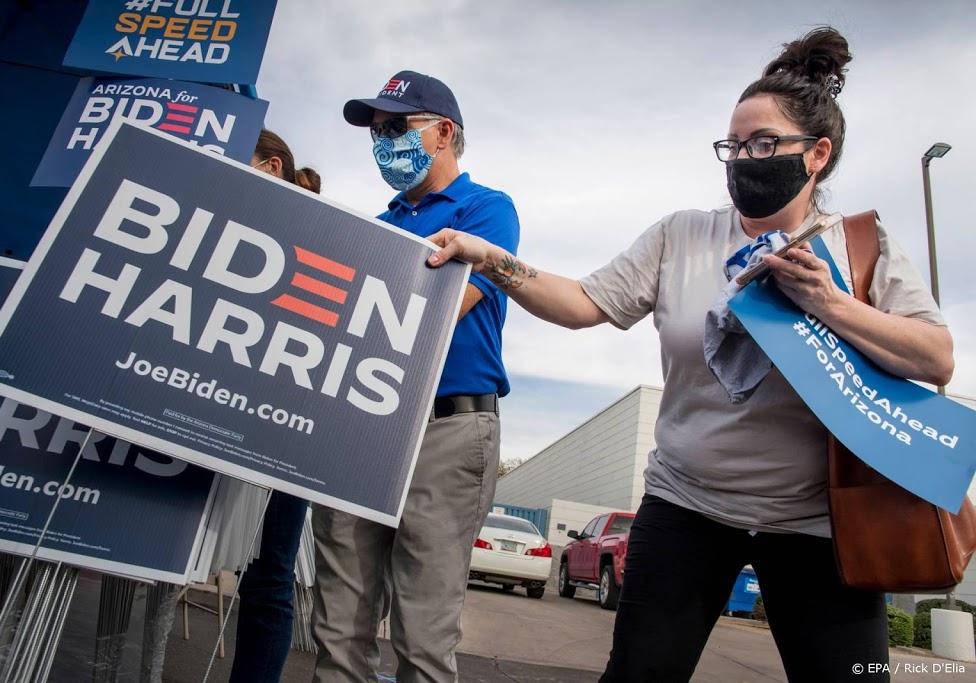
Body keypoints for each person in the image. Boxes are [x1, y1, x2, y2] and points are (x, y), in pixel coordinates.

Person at [426, 28, 953, 683]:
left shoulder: (860, 246)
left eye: (764, 144)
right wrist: (493, 259)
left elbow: (936, 358)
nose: (743, 159)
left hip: (820, 525)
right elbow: (584, 301)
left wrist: (832, 303)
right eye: (733, 145)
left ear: (817, 154)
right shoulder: (684, 235)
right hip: (688, 507)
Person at [310, 70, 521, 682]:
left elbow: (431, 315)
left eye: (396, 127)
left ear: (443, 132)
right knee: (338, 627)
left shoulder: (486, 212)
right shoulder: (374, 226)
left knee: (423, 636)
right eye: (376, 132)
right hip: (359, 423)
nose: (382, 142)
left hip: (447, 430)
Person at [226, 128, 320, 683]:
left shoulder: (314, 235)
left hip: (286, 424)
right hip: (222, 409)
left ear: (271, 169)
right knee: (256, 573)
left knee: (267, 573)